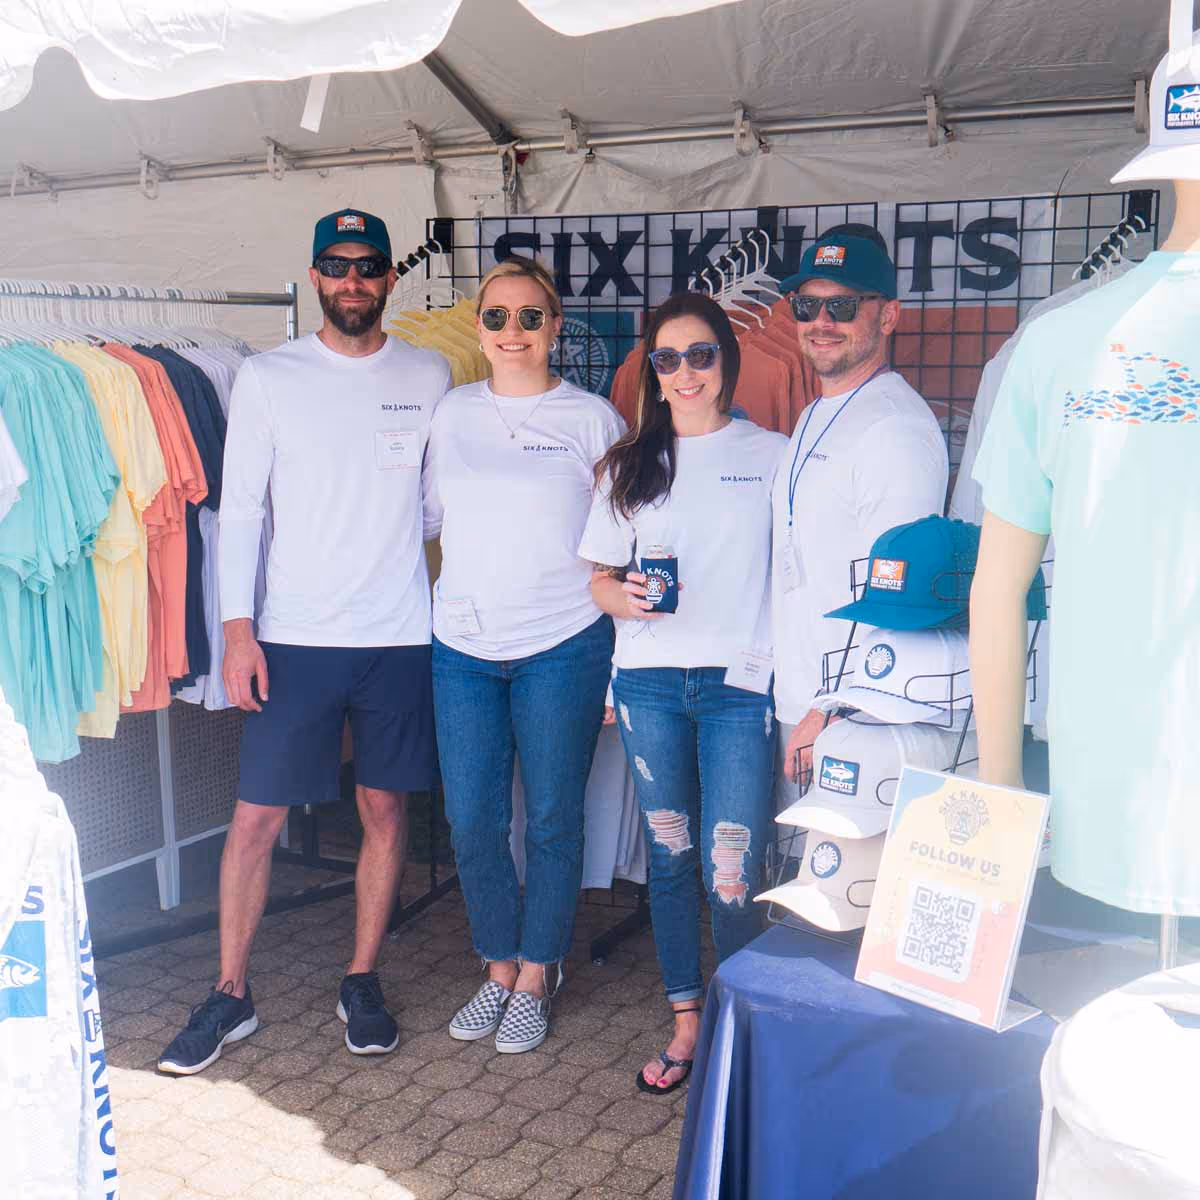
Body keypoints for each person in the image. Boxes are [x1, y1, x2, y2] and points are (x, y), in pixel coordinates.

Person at [157, 209, 451, 1075]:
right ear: (317, 275)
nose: (353, 279)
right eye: (337, 264)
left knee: (385, 811)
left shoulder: (429, 371)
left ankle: (361, 978)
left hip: (400, 635)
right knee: (257, 819)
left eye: (368, 265)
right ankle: (230, 993)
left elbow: (436, 503)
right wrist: (237, 633)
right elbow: (241, 510)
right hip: (293, 638)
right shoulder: (268, 376)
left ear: (391, 277)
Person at [580, 291, 786, 1095]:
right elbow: (599, 580)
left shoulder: (772, 455)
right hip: (649, 684)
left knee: (731, 869)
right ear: (653, 372)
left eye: (701, 354)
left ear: (726, 361)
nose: (686, 372)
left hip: (740, 687)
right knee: (670, 859)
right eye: (668, 359)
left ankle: (742, 1029)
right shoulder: (628, 464)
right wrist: (623, 595)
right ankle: (688, 1022)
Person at [425, 256, 623, 1054]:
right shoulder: (450, 413)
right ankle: (497, 965)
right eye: (498, 316)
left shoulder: (593, 420)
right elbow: (428, 519)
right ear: (479, 328)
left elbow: (621, 543)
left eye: (530, 316)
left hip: (563, 644)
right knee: (472, 818)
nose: (514, 331)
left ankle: (538, 973)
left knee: (550, 817)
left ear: (556, 327)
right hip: (462, 646)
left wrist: (618, 666)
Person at [771, 234, 948, 792]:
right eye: (807, 305)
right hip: (804, 702)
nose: (821, 322)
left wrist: (834, 708)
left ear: (888, 315)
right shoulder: (817, 411)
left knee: (841, 854)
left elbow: (898, 596)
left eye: (843, 306)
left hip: (855, 717)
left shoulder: (893, 427)